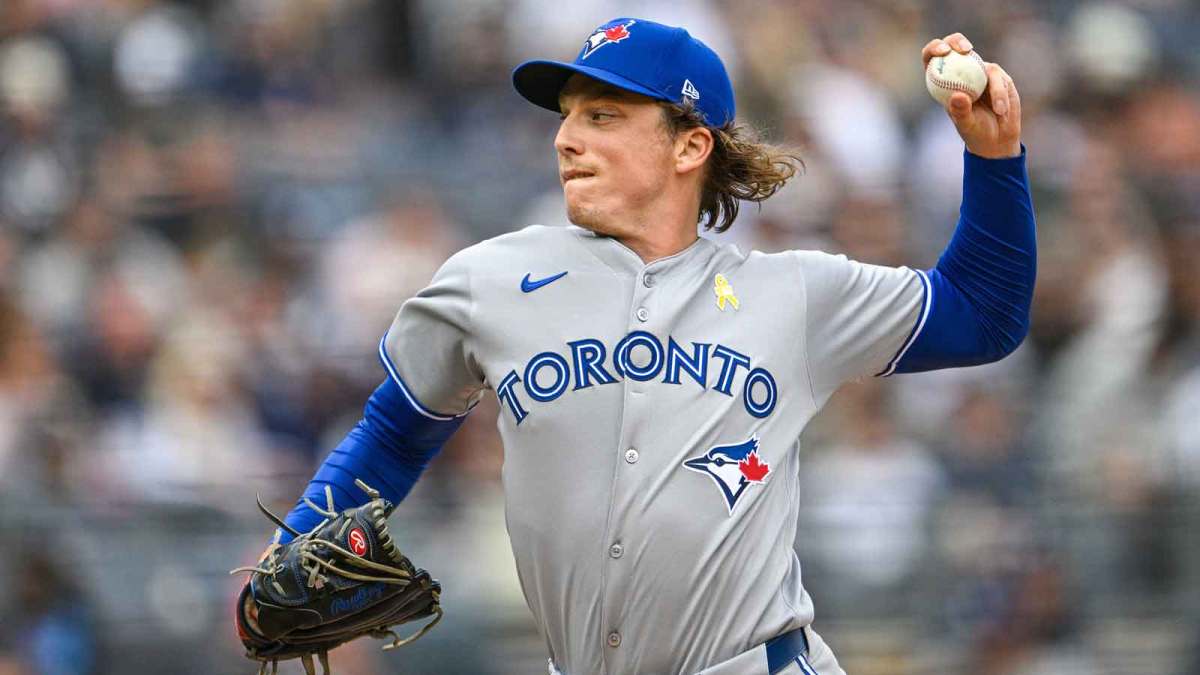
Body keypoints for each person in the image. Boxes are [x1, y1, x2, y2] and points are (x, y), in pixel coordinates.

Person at [237, 17, 1035, 675]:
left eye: (604, 117)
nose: (567, 140)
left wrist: (993, 158)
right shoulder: (490, 280)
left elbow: (984, 312)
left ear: (689, 146)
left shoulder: (791, 295)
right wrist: (291, 547)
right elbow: (392, 431)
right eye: (568, 117)